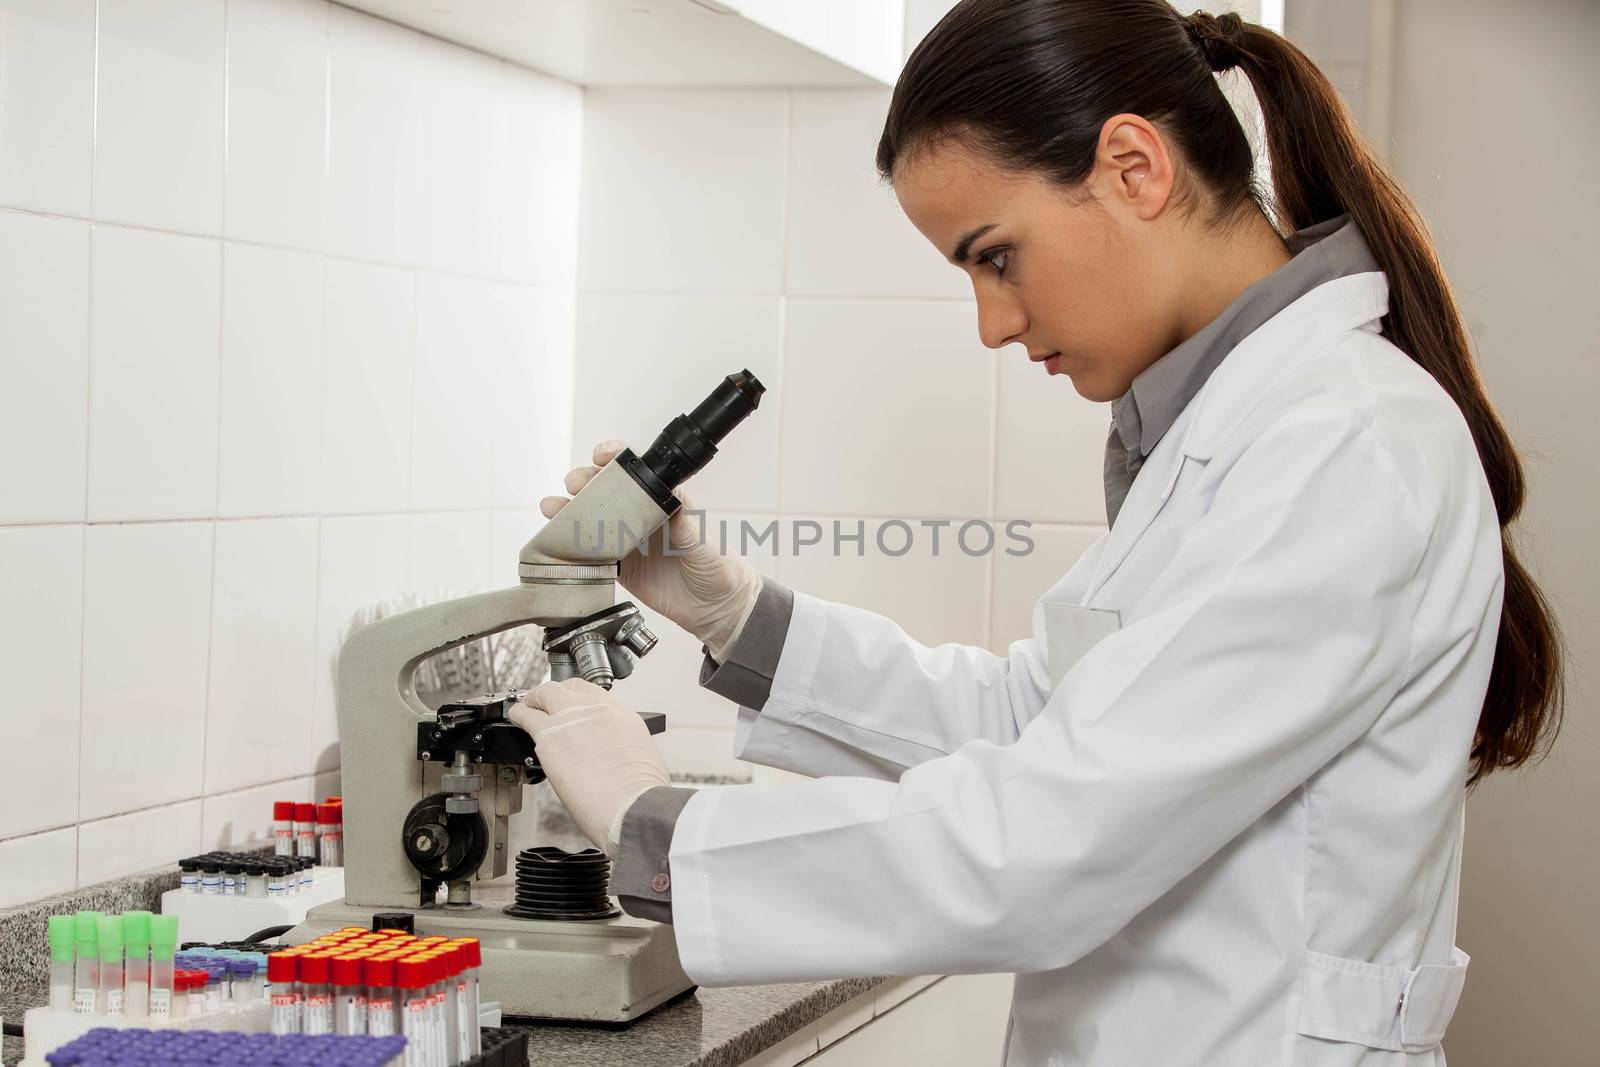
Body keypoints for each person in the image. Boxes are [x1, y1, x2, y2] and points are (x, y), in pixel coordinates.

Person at [510, 3, 1565, 1063]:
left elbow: (1048, 840)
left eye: (997, 256)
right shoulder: (1238, 427)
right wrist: (736, 615)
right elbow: (1050, 725)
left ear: (1134, 167)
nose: (992, 322)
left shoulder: (1341, 443)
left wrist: (660, 823)